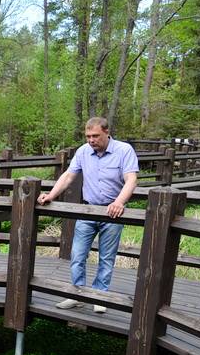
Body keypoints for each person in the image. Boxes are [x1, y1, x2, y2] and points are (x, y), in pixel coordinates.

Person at [36, 117, 138, 313]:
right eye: (88, 136)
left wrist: (119, 202)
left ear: (107, 132)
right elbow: (68, 176)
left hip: (112, 213)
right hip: (88, 210)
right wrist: (51, 195)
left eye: (95, 136)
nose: (91, 140)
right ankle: (77, 294)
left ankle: (100, 296)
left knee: (106, 258)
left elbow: (131, 180)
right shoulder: (83, 151)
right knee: (77, 254)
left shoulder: (124, 151)